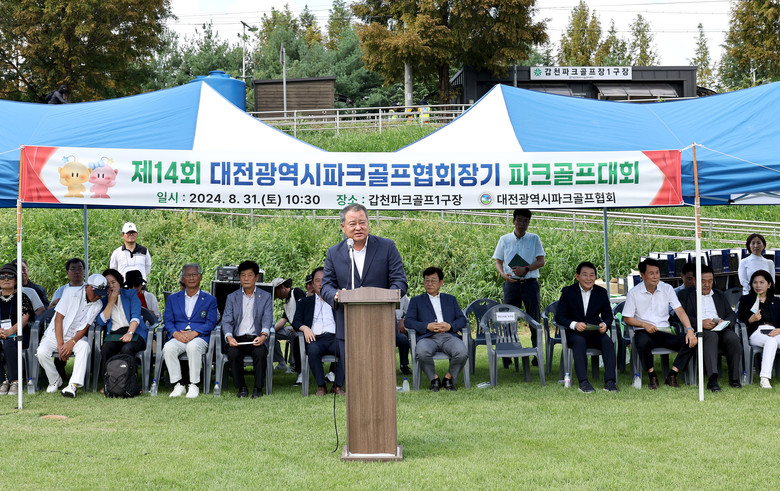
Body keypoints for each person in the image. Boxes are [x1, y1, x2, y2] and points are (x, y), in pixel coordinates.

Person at [320, 203, 408, 392]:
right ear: (343, 227)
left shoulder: (387, 247)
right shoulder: (334, 253)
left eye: (362, 222)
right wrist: (335, 295)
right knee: (356, 380)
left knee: (381, 378)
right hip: (348, 324)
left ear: (369, 223)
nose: (358, 227)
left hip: (381, 324)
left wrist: (389, 295)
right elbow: (326, 285)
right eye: (352, 224)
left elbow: (400, 281)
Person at [623, 258, 697, 390]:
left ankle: (672, 374)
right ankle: (652, 375)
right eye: (651, 273)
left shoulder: (667, 288)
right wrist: (644, 325)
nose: (655, 276)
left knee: (690, 340)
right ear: (642, 275)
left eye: (657, 273)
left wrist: (690, 330)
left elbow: (679, 311)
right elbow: (627, 318)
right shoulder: (634, 293)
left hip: (664, 331)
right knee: (642, 342)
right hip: (644, 331)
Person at [36, 273, 107, 398]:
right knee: (41, 352)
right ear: (87, 287)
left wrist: (72, 342)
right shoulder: (70, 292)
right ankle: (55, 380)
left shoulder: (98, 304)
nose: (98, 297)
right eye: (96, 293)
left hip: (75, 337)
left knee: (84, 346)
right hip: (55, 334)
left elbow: (85, 327)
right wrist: (61, 345)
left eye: (100, 294)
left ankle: (72, 385)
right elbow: (58, 318)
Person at [556, 261, 618, 393]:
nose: (588, 278)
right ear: (577, 276)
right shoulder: (568, 292)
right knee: (579, 341)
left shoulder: (601, 292)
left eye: (592, 275)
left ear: (595, 277)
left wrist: (605, 324)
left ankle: (610, 382)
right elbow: (559, 317)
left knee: (608, 342)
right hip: (574, 334)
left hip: (594, 332)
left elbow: (608, 315)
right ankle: (583, 382)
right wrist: (574, 324)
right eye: (585, 275)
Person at [677, 265, 741, 392]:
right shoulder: (685, 294)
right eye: (703, 281)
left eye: (710, 281)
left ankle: (734, 378)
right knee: (711, 336)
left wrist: (725, 322)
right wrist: (700, 323)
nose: (707, 284)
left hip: (720, 328)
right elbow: (680, 317)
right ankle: (712, 379)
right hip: (699, 330)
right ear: (694, 280)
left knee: (733, 338)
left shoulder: (719, 294)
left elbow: (731, 314)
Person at [404, 267, 467, 391]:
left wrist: (450, 326)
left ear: (441, 283)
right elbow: (408, 321)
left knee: (462, 352)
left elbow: (462, 319)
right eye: (426, 280)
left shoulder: (450, 299)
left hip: (448, 336)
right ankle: (434, 379)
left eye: (433, 280)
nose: (429, 284)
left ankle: (448, 378)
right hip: (427, 337)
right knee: (421, 352)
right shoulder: (416, 301)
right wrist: (426, 326)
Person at [162, 264, 218, 399]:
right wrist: (175, 334)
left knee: (193, 347)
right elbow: (168, 321)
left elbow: (211, 322)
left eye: (194, 274)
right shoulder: (173, 298)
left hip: (200, 337)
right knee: (168, 347)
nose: (191, 278)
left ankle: (194, 385)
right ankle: (178, 384)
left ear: (201, 277)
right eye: (188, 275)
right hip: (179, 336)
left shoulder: (210, 299)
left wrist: (194, 333)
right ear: (182, 278)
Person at [493, 209, 545, 351]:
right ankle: (509, 353)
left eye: (525, 221)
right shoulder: (504, 239)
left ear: (529, 223)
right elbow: (498, 261)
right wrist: (502, 274)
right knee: (508, 319)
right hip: (511, 284)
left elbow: (541, 261)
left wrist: (525, 269)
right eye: (519, 220)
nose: (522, 224)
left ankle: (537, 354)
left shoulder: (534, 238)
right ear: (513, 221)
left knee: (534, 319)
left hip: (530, 284)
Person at [221, 261, 272, 399]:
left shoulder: (265, 297)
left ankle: (258, 388)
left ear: (256, 277)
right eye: (243, 275)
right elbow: (226, 320)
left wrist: (264, 335)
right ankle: (242, 387)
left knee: (260, 353)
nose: (246, 278)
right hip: (237, 338)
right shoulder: (232, 297)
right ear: (239, 277)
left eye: (250, 275)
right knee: (233, 353)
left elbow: (267, 318)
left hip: (257, 337)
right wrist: (229, 337)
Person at [292, 267, 345, 396]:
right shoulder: (305, 302)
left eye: (324, 280)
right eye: (317, 280)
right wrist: (305, 328)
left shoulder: (338, 301)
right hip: (315, 338)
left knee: (346, 349)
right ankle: (321, 386)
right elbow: (296, 321)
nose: (321, 284)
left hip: (335, 337)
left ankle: (337, 386)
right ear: (312, 284)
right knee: (313, 350)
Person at [95, 269, 144, 390]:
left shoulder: (130, 294)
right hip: (114, 335)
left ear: (120, 283)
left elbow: (136, 316)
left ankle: (130, 384)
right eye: (108, 284)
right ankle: (109, 384)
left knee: (127, 348)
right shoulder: (104, 301)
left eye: (113, 282)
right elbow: (101, 322)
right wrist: (111, 302)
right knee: (106, 349)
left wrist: (130, 333)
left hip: (134, 332)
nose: (111, 286)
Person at [737, 269, 780, 389]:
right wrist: (751, 320)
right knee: (771, 341)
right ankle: (764, 379)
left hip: (775, 330)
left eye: (762, 282)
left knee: (772, 340)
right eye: (755, 282)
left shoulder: (776, 301)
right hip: (756, 332)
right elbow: (740, 321)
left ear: (769, 284)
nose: (758, 285)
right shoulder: (746, 300)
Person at [0, 263, 34, 396]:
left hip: (19, 333)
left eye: (10, 276)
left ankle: (15, 381)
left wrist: (10, 331)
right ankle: (3, 381)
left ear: (16, 280)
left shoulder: (22, 297)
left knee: (9, 344)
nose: (6, 279)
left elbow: (25, 317)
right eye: (2, 276)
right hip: (1, 333)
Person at [270, 277, 305, 381]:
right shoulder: (286, 302)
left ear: (281, 287)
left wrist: (297, 325)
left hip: (301, 328)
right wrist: (270, 330)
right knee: (272, 335)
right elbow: (283, 320)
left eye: (276, 293)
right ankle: (281, 362)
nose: (277, 297)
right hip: (291, 328)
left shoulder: (296, 292)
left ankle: (293, 365)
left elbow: (303, 309)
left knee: (295, 335)